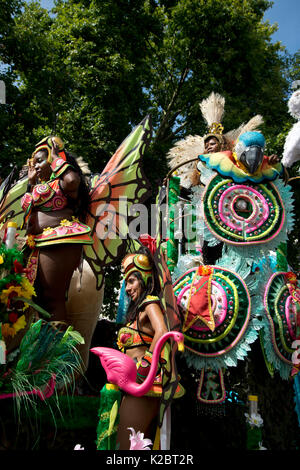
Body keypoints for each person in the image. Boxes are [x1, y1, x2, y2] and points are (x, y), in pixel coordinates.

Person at [115, 246, 184, 450]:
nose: (127, 288)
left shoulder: (149, 302)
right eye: (126, 283)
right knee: (133, 443)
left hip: (144, 384)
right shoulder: (138, 310)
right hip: (135, 384)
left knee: (124, 444)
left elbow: (162, 331)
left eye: (131, 281)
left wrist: (144, 366)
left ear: (145, 279)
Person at [21, 136, 93, 326]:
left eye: (40, 161)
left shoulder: (62, 183)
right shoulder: (37, 185)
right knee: (37, 301)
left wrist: (57, 157)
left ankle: (56, 352)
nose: (35, 166)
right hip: (37, 244)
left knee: (52, 299)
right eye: (33, 162)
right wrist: (30, 183)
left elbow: (72, 180)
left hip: (58, 240)